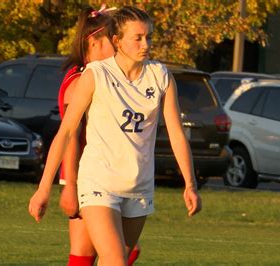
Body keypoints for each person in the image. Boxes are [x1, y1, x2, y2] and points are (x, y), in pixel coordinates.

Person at [29, 6, 202, 265]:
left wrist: (190, 184)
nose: (146, 44)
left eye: (149, 37)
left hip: (138, 186)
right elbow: (66, 133)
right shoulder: (96, 75)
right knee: (115, 260)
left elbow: (176, 133)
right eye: (138, 37)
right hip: (98, 183)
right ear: (117, 40)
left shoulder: (160, 76)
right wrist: (44, 189)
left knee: (126, 255)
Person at [29, 5, 141, 266]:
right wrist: (70, 186)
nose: (118, 48)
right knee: (112, 254)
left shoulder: (99, 76)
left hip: (100, 175)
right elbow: (69, 135)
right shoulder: (82, 79)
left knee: (88, 254)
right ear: (93, 41)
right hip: (86, 179)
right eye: (113, 42)